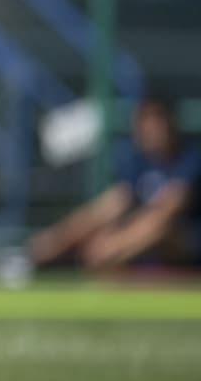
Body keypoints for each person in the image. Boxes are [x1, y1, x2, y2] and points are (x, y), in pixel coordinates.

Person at [30, 95, 201, 270]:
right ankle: (33, 257)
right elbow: (113, 204)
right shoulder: (139, 161)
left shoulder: (191, 159)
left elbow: (167, 211)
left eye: (157, 119)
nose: (151, 127)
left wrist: (115, 244)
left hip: (186, 245)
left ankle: (99, 264)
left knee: (159, 228)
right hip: (141, 242)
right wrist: (59, 238)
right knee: (101, 224)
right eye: (145, 120)